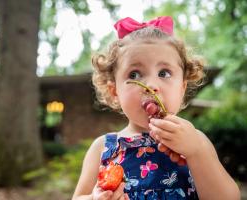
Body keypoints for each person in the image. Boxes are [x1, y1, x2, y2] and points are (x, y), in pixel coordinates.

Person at [72, 16, 240, 200]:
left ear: (182, 88)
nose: (151, 85)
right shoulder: (103, 148)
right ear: (115, 91)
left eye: (164, 73)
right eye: (135, 74)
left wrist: (197, 152)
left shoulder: (196, 142)